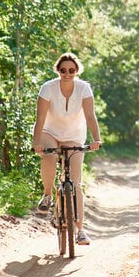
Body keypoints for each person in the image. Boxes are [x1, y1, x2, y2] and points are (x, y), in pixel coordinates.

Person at [32, 51, 102, 246]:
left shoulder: (83, 88)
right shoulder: (48, 88)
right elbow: (40, 118)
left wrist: (97, 139)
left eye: (71, 70)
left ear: (76, 70)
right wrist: (36, 142)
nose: (67, 73)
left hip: (74, 135)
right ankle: (47, 195)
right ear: (58, 70)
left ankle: (80, 230)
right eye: (63, 70)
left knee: (75, 183)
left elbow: (90, 116)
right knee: (50, 157)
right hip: (50, 132)